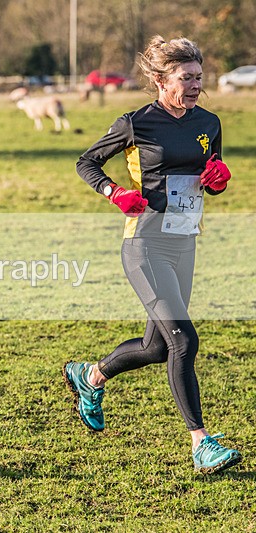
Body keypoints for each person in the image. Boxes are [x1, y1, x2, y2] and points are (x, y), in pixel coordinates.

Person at [63, 35, 241, 474]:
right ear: (162, 81)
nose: (196, 85)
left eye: (200, 77)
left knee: (158, 347)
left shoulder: (210, 122)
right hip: (144, 244)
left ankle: (90, 377)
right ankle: (202, 444)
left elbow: (208, 175)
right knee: (184, 339)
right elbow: (87, 162)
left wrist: (217, 180)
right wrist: (114, 191)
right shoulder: (135, 123)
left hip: (184, 242)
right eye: (187, 78)